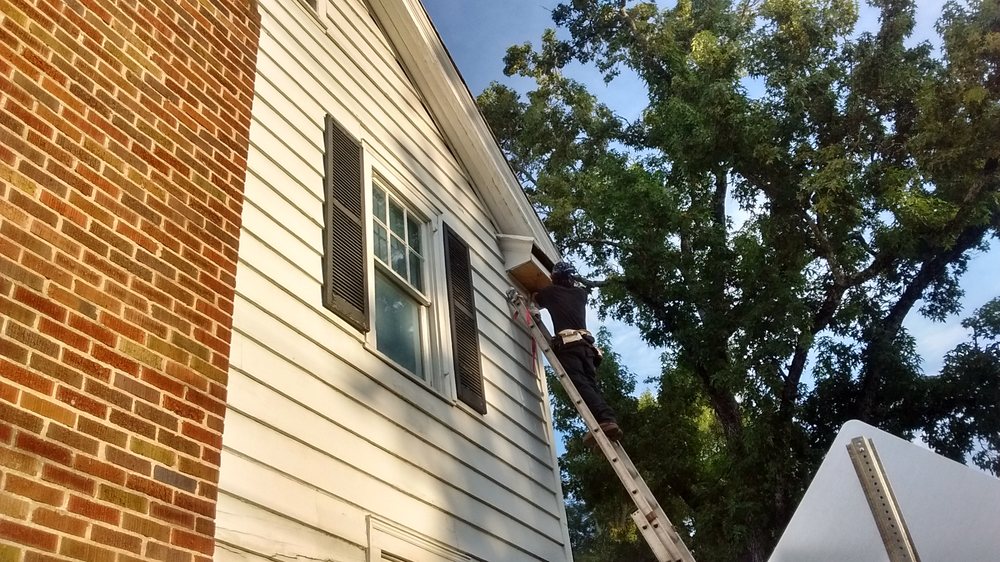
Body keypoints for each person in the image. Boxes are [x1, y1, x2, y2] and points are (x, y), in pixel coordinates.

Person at [533, 261, 623, 446]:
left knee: (580, 384)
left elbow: (536, 298)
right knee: (590, 385)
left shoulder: (550, 292)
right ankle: (605, 421)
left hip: (569, 347)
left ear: (554, 278)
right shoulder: (581, 294)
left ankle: (605, 419)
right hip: (588, 350)